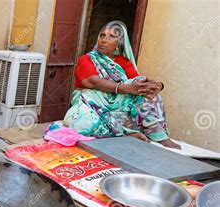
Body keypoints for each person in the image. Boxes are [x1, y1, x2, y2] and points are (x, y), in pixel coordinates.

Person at [64, 20, 180, 149]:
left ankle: (160, 135)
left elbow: (137, 81)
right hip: (90, 100)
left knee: (144, 89)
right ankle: (126, 132)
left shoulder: (123, 62)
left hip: (117, 102)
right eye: (102, 35)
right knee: (80, 125)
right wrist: (126, 88)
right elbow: (93, 81)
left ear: (119, 43)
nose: (104, 40)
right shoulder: (87, 59)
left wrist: (157, 85)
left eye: (111, 36)